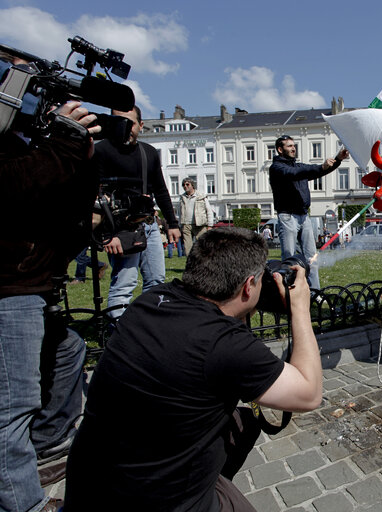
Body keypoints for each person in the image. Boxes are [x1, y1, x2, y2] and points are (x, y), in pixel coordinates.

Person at [64, 228, 323, 511]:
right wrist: (300, 309)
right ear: (248, 286)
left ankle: (209, 480)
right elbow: (309, 394)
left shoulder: (150, 300)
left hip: (88, 487)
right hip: (152, 501)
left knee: (244, 422)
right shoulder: (224, 344)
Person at [1, 90, 100, 510]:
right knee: (12, 403)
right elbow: (13, 189)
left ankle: (40, 447)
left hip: (33, 281)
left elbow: (68, 207)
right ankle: (24, 503)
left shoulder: (27, 144)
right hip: (8, 286)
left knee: (69, 350)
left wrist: (82, 155)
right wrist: (61, 140)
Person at [94, 106, 181, 318]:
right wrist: (108, 235)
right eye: (118, 122)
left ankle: (146, 329)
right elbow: (95, 195)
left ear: (141, 126)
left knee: (156, 281)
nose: (124, 128)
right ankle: (119, 335)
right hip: (120, 226)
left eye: (130, 123)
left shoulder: (148, 152)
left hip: (148, 223)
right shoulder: (102, 150)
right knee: (124, 283)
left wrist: (173, 223)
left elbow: (160, 190)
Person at [269, 135, 349, 289]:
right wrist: (319, 167)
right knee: (289, 258)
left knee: (312, 258)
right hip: (287, 217)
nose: (293, 148)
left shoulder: (299, 167)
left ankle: (315, 292)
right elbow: (295, 174)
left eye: (294, 145)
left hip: (304, 216)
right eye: (289, 146)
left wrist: (337, 159)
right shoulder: (278, 168)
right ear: (280, 149)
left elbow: (316, 172)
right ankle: (290, 294)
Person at [179, 177, 214, 252]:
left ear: (192, 185)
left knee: (203, 246)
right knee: (187, 248)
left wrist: (210, 225)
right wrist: (180, 225)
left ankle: (204, 262)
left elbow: (209, 211)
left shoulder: (201, 196)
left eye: (187, 184)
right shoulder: (182, 198)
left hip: (199, 225)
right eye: (183, 185)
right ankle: (190, 263)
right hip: (186, 225)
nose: (185, 186)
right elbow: (180, 212)